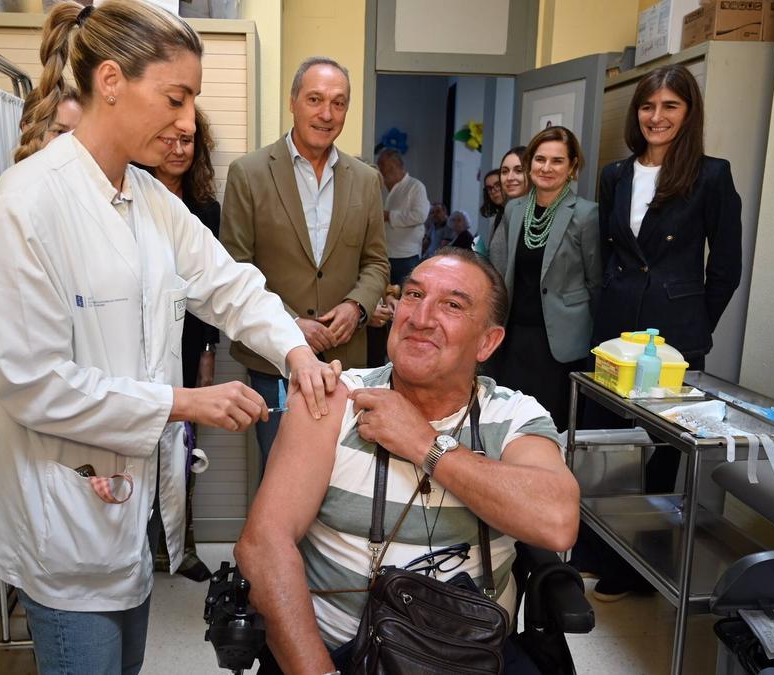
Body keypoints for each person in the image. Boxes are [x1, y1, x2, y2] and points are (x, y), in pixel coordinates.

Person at [0, 4, 340, 674]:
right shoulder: (27, 205)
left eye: (191, 99)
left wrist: (295, 351)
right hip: (61, 525)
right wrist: (182, 403)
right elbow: (34, 385)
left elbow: (230, 284)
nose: (186, 120)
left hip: (125, 512)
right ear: (110, 81)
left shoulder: (149, 199)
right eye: (176, 97)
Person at [236, 248, 581, 674]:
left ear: (487, 342)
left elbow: (558, 522)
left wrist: (426, 444)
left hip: (473, 653)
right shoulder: (335, 397)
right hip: (343, 654)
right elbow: (263, 545)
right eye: (413, 296)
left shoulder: (512, 416)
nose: (420, 317)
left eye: (452, 305)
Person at [580, 63, 742, 602]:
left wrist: (694, 327)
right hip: (615, 329)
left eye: (670, 106)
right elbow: (609, 253)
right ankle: (597, 549)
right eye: (648, 107)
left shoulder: (712, 176)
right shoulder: (614, 175)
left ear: (688, 113)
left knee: (661, 451)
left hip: (674, 336)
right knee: (607, 443)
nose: (656, 116)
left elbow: (725, 269)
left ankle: (642, 565)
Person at [221, 56, 389, 475]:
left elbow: (376, 263)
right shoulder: (249, 173)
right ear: (293, 102)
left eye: (338, 102)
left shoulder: (366, 180)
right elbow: (235, 269)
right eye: (315, 99)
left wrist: (357, 307)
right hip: (274, 362)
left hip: (347, 363)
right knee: (281, 477)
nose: (327, 114)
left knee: (344, 478)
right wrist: (288, 323)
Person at [139, 107, 221, 583]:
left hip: (190, 339)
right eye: (167, 139)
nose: (177, 149)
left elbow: (214, 289)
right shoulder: (127, 195)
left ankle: (181, 547)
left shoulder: (205, 206)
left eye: (187, 141)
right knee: (141, 443)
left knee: (186, 450)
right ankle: (144, 549)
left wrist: (208, 352)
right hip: (142, 338)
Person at [488, 125, 600, 431]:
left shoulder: (586, 214)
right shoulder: (515, 209)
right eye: (540, 159)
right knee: (508, 422)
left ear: (573, 167)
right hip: (514, 338)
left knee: (549, 426)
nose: (546, 168)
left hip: (559, 344)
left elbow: (596, 283)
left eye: (557, 161)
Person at [376, 147, 430, 285]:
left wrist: (389, 216)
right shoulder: (382, 187)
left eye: (382, 165)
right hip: (383, 254)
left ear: (395, 166)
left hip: (406, 256)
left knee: (404, 297)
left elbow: (419, 216)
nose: (380, 169)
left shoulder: (415, 187)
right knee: (384, 297)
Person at [15, 83, 81, 163]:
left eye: (77, 133)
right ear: (27, 129)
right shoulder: (18, 175)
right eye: (60, 131)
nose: (72, 142)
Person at [489, 145, 529, 271]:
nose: (510, 178)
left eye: (518, 170)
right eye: (505, 171)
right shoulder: (507, 213)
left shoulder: (539, 214)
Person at [473, 168, 504, 256]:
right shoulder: (498, 216)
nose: (493, 191)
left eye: (497, 185)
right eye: (489, 188)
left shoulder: (516, 214)